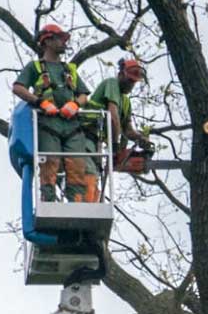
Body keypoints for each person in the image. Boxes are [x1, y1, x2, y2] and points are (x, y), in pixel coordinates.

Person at [10, 23, 98, 202]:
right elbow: (18, 88)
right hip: (48, 124)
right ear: (47, 40)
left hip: (72, 125)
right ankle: (48, 200)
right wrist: (40, 102)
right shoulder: (35, 67)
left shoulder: (69, 70)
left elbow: (84, 95)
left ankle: (76, 203)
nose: (64, 42)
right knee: (49, 163)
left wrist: (75, 104)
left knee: (76, 165)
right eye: (60, 39)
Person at [89, 57, 153, 173]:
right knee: (88, 173)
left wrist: (140, 138)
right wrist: (115, 146)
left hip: (98, 139)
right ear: (120, 75)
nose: (131, 85)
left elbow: (128, 130)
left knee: (93, 175)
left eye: (134, 82)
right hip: (87, 131)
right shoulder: (112, 83)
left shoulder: (126, 102)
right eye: (129, 80)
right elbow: (113, 116)